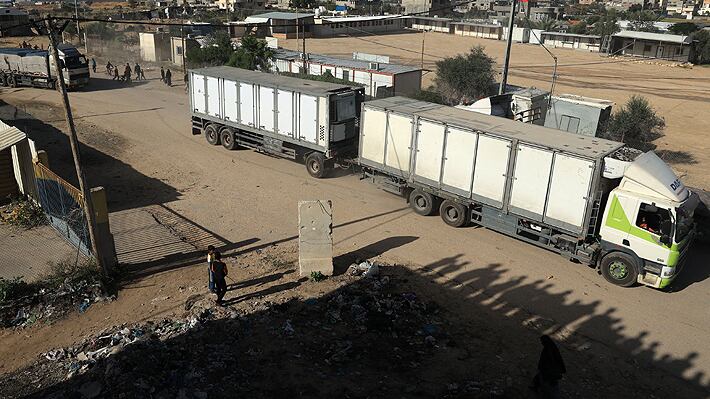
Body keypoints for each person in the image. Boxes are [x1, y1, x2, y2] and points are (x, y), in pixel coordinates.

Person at [531, 335, 566, 399]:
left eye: (542, 342)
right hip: (548, 371)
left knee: (552, 389)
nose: (541, 343)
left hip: (549, 372)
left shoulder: (548, 350)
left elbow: (547, 361)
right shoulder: (551, 347)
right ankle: (535, 387)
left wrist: (543, 368)